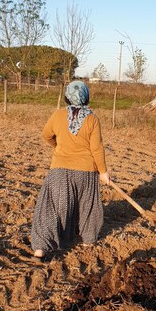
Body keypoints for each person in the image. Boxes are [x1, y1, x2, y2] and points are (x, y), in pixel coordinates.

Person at [31, 80, 110, 261]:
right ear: (86, 97)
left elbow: (46, 135)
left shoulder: (58, 115)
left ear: (67, 97)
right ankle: (89, 241)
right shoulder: (92, 119)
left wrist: (57, 146)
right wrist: (103, 172)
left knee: (50, 208)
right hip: (86, 172)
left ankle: (41, 249)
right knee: (87, 206)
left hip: (59, 170)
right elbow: (97, 148)